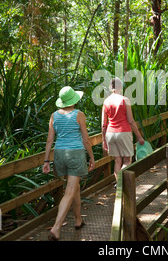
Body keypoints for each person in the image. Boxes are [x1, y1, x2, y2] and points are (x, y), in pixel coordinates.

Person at [42, 86, 95, 241]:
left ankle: (78, 220)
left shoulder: (53, 116)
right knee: (70, 191)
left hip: (59, 154)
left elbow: (50, 140)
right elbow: (86, 139)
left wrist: (46, 161)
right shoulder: (79, 115)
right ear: (74, 100)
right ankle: (56, 228)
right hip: (75, 154)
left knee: (74, 188)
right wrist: (92, 157)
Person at [101, 78, 144, 182]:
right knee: (127, 160)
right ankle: (122, 183)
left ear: (111, 88)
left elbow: (103, 124)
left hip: (110, 133)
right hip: (123, 132)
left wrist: (103, 140)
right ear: (121, 87)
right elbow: (131, 121)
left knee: (117, 161)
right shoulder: (125, 100)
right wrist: (139, 137)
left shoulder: (106, 101)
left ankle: (119, 185)